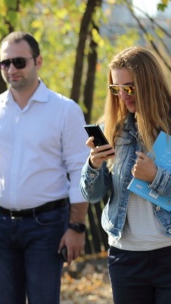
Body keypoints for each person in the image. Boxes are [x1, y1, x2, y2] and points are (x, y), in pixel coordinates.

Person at [0, 31, 89, 304]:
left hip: (47, 226)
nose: (11, 69)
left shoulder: (65, 110)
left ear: (38, 61)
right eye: (5, 63)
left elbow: (80, 170)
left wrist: (77, 227)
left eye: (19, 62)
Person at [81, 47, 171, 303]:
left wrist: (156, 176)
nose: (122, 96)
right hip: (125, 257)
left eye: (129, 88)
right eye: (115, 88)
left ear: (149, 84)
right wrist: (93, 166)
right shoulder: (113, 130)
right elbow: (93, 195)